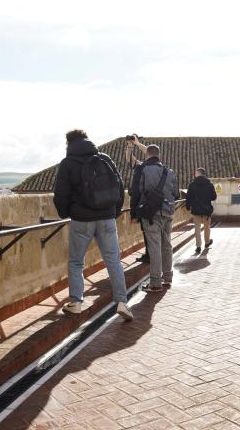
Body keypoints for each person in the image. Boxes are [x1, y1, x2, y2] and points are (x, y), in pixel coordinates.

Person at [53, 129, 133, 321]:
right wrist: (114, 212)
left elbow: (61, 194)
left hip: (81, 220)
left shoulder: (68, 163)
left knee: (76, 262)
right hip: (106, 217)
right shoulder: (104, 158)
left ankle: (76, 302)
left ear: (69, 143)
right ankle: (122, 302)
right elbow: (119, 186)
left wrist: (66, 213)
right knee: (113, 260)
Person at [130, 144, 180, 292]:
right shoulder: (169, 171)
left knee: (154, 247)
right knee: (167, 245)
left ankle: (156, 283)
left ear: (147, 155)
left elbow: (136, 192)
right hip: (168, 213)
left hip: (151, 214)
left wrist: (134, 215)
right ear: (159, 155)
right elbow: (176, 194)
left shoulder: (143, 169)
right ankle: (168, 277)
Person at [125, 134, 150, 263]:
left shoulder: (151, 166)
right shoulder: (140, 166)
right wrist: (130, 146)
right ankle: (149, 254)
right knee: (146, 232)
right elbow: (129, 159)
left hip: (149, 204)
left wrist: (138, 143)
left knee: (150, 233)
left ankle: (151, 256)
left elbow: (150, 152)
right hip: (141, 204)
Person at [185, 167, 216, 254]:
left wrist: (188, 206)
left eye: (196, 173)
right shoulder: (209, 184)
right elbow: (214, 197)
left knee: (197, 228)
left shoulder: (192, 185)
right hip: (207, 210)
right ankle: (207, 242)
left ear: (199, 173)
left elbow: (188, 197)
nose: (195, 174)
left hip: (196, 210)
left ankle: (198, 246)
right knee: (207, 227)